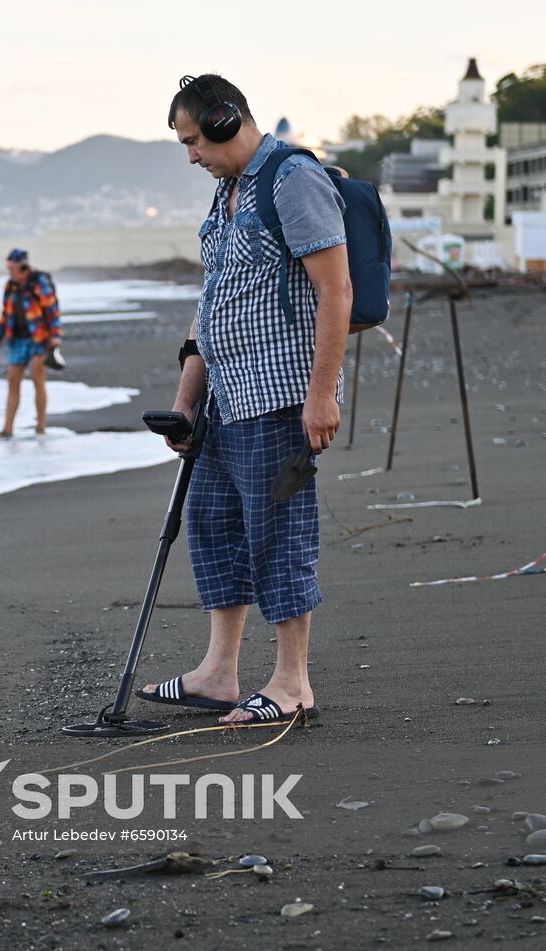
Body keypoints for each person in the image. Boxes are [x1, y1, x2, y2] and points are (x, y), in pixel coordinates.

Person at [137, 74, 351, 725]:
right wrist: (186, 402)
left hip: (280, 399)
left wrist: (322, 396)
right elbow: (211, 304)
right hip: (226, 402)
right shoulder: (227, 195)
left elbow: (335, 291)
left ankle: (292, 683)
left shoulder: (293, 179)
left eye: (195, 139)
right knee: (213, 530)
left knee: (277, 537)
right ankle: (219, 673)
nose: (191, 155)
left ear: (228, 120)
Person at [0, 249, 63, 438]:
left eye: (13, 268)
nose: (10, 271)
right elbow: (5, 315)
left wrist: (56, 335)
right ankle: (7, 429)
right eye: (8, 267)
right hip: (17, 339)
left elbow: (52, 311)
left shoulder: (40, 283)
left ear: (23, 266)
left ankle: (41, 426)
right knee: (13, 380)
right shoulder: (10, 286)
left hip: (40, 339)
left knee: (38, 379)